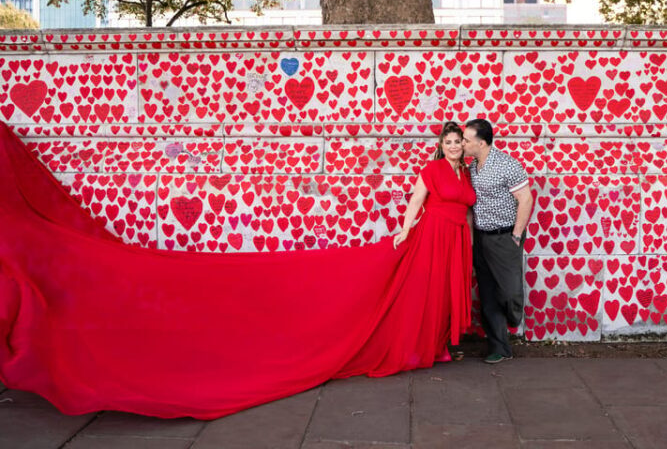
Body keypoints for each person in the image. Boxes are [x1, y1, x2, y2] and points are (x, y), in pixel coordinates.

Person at [0, 121, 475, 419]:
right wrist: (403, 230)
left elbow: (469, 207)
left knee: (436, 291)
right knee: (419, 289)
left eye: (459, 143)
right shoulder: (434, 171)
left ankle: (436, 342)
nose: (454, 147)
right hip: (431, 234)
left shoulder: (466, 172)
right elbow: (416, 201)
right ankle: (420, 343)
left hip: (456, 238)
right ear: (441, 144)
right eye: (449, 142)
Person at [462, 119, 534, 364]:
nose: (463, 143)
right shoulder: (472, 167)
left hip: (505, 237)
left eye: (466, 140)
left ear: (481, 143)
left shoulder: (507, 165)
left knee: (509, 291)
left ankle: (514, 318)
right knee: (488, 293)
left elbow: (526, 199)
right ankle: (499, 347)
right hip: (482, 238)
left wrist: (516, 235)